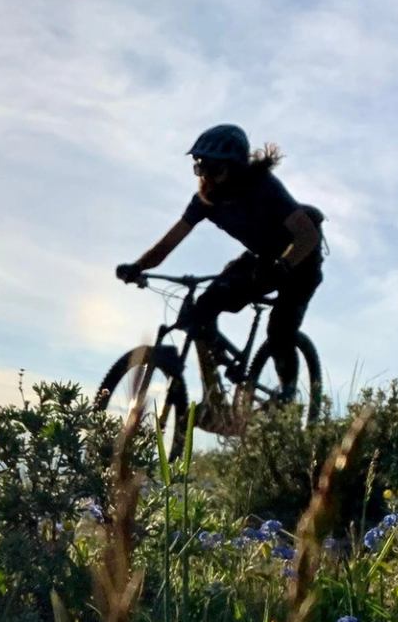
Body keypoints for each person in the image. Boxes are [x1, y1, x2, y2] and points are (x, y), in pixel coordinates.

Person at [116, 124, 324, 428]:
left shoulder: (263, 187)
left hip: (300, 261)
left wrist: (285, 264)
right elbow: (168, 244)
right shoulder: (205, 200)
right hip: (263, 258)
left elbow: (306, 235)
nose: (206, 176)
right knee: (202, 308)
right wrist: (138, 266)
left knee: (280, 331)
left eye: (214, 168)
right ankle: (216, 403)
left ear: (235, 168)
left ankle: (287, 394)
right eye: (200, 167)